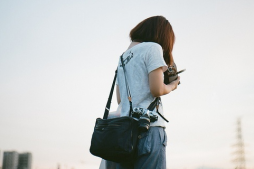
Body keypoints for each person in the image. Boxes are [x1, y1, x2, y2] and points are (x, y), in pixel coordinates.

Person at [108, 16, 180, 169]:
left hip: (125, 134)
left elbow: (120, 99)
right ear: (161, 35)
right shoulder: (153, 48)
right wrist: (173, 85)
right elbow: (157, 89)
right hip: (149, 129)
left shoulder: (122, 57)